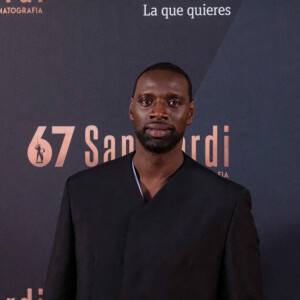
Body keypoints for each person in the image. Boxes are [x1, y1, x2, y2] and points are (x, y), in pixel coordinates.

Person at [44, 62, 263, 299]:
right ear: (131, 109)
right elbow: (58, 290)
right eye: (146, 101)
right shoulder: (83, 191)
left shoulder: (226, 202)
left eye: (173, 102)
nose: (159, 112)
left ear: (190, 113)